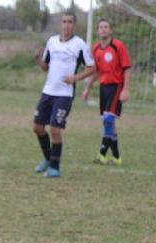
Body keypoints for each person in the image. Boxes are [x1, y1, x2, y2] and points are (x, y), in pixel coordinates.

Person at [32, 12, 95, 178]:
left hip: (64, 94)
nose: (66, 25)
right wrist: (38, 59)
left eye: (70, 22)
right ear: (60, 24)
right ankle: (47, 159)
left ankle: (54, 168)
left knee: (54, 128)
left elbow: (91, 68)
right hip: (48, 91)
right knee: (37, 128)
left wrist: (75, 78)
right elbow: (46, 67)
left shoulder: (79, 44)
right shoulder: (52, 41)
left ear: (74, 25)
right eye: (64, 21)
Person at [81, 19, 131, 166]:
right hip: (104, 88)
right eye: (101, 27)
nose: (103, 29)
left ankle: (102, 155)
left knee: (108, 120)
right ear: (98, 31)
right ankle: (116, 157)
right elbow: (96, 71)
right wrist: (87, 88)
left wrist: (126, 89)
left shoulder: (118, 46)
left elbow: (127, 68)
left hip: (117, 86)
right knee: (108, 123)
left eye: (106, 27)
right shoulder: (96, 48)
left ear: (110, 30)